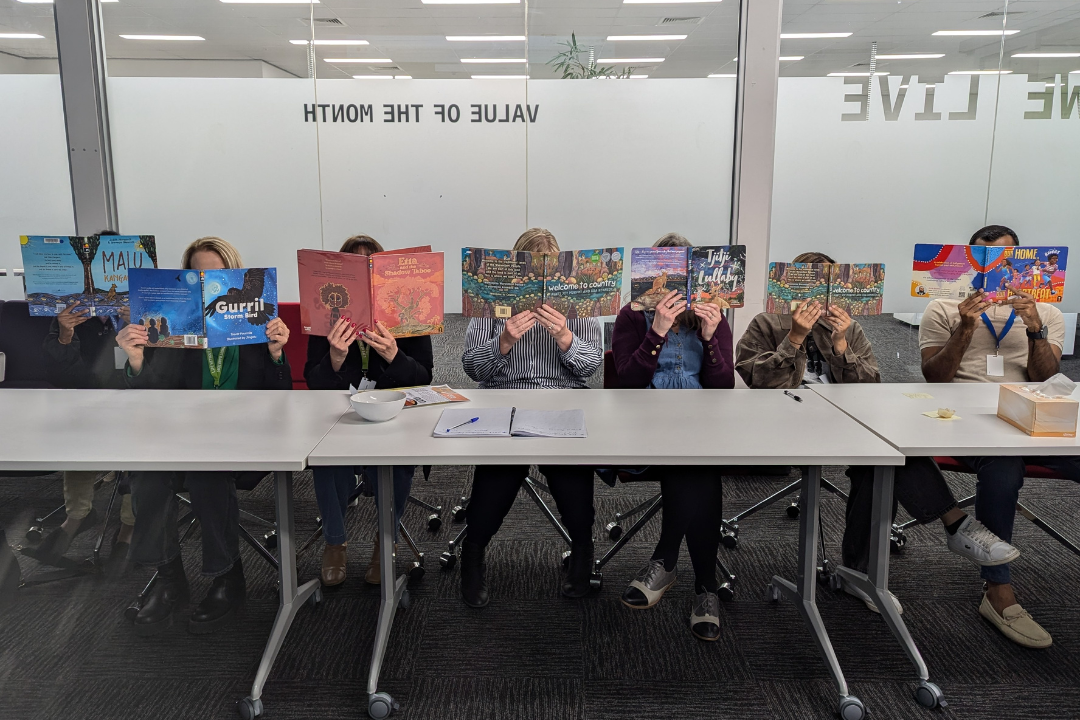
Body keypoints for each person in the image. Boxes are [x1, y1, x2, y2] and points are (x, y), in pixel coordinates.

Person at [737, 251, 1018, 615]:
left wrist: (841, 347)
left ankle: (862, 573)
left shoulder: (849, 327)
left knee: (886, 454)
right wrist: (794, 338)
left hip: (844, 422)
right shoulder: (766, 323)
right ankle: (956, 524)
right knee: (879, 453)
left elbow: (871, 386)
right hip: (783, 424)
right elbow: (757, 382)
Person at [116, 236, 291, 636]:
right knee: (147, 474)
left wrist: (277, 353)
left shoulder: (257, 322)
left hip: (244, 433)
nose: (207, 283)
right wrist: (137, 359)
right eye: (197, 275)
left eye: (216, 274)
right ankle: (168, 578)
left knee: (207, 473)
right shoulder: (173, 324)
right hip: (183, 431)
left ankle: (227, 576)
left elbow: (281, 397)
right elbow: (152, 395)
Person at [920, 224, 1072, 649]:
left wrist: (1035, 328)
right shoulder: (943, 307)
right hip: (966, 420)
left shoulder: (1047, 312)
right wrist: (965, 327)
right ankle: (997, 589)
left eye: (1004, 260)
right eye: (982, 259)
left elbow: (1048, 379)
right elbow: (935, 378)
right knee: (1003, 471)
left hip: (1031, 416)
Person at [460, 228, 603, 607]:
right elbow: (472, 368)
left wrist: (565, 337)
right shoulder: (492, 300)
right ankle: (472, 552)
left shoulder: (577, 303)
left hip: (563, 396)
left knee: (571, 475)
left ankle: (583, 549)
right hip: (504, 398)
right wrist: (503, 342)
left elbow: (591, 366)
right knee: (498, 475)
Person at [610, 233, 734, 641]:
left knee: (695, 461)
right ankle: (705, 588)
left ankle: (665, 562)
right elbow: (627, 382)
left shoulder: (714, 315)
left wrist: (711, 338)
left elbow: (723, 387)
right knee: (698, 468)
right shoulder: (632, 316)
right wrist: (657, 331)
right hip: (645, 418)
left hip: (700, 418)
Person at [305, 235, 434, 588]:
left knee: (399, 459)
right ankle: (334, 542)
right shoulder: (325, 317)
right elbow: (313, 382)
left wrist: (393, 355)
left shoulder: (408, 315)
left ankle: (385, 540)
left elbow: (423, 377)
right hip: (340, 413)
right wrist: (335, 357)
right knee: (326, 457)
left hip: (392, 412)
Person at [32, 229, 135, 571]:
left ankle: (129, 526)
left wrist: (140, 327)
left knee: (141, 439)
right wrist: (65, 334)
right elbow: (60, 376)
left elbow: (164, 370)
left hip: (139, 401)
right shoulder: (69, 311)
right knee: (79, 432)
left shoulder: (144, 307)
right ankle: (77, 516)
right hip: (89, 402)